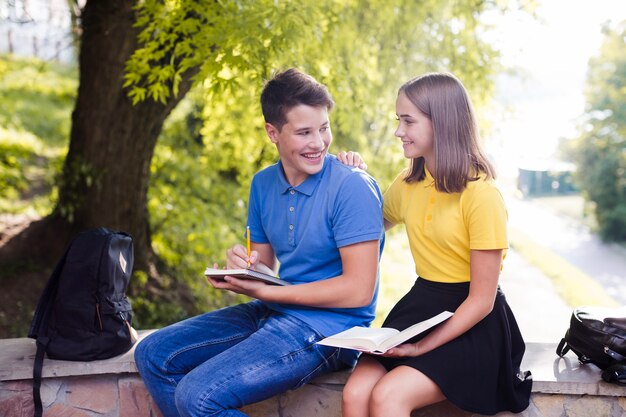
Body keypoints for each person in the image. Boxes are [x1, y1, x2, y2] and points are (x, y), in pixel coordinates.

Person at [134, 68, 385, 417]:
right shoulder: (263, 184)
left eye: (323, 128)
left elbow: (358, 291)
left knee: (198, 397)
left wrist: (270, 292)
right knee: (153, 353)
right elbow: (264, 267)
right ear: (273, 132)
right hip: (274, 311)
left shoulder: (352, 187)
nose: (319, 142)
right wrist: (243, 269)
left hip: (331, 331)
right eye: (304, 132)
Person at [342, 72, 532, 417]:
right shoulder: (408, 182)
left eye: (408, 121)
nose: (399, 131)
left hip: (473, 321)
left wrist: (422, 347)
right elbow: (360, 230)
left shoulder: (482, 195)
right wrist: (349, 180)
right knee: (355, 394)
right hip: (420, 305)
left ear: (441, 122)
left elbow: (481, 301)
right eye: (398, 120)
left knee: (388, 396)